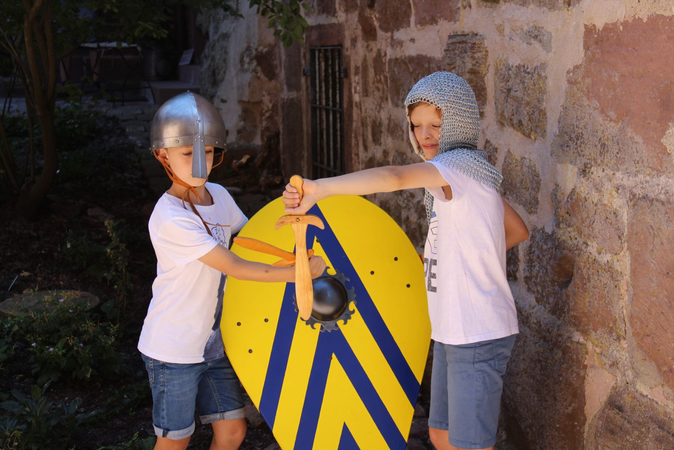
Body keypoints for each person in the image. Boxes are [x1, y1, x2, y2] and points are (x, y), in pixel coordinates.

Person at [283, 72, 529, 450]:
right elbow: (515, 229)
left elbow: (395, 176)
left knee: (470, 445)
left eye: (436, 124)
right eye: (416, 126)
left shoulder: (458, 167)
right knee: (441, 435)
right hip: (452, 331)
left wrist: (320, 189)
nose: (425, 135)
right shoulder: (470, 176)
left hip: (477, 332)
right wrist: (457, 258)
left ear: (459, 122)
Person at [138, 92, 325, 450]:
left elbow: (248, 240)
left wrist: (292, 248)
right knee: (176, 440)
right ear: (162, 155)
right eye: (187, 154)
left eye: (206, 153)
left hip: (212, 344)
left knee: (233, 430)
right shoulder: (170, 217)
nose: (199, 165)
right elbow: (235, 266)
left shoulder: (219, 196)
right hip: (173, 348)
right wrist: (297, 273)